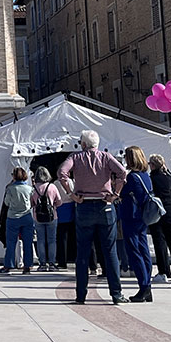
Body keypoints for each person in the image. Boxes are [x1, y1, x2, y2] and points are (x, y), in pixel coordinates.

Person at [58, 129, 129, 304]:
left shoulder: (75, 158)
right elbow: (122, 173)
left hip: (84, 205)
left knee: (83, 252)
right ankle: (116, 294)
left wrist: (71, 193)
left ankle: (81, 294)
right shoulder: (105, 157)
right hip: (105, 204)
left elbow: (62, 173)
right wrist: (116, 193)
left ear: (83, 144)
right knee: (109, 250)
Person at [120, 146, 154, 302]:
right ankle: (147, 286)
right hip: (142, 217)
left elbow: (120, 192)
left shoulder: (132, 177)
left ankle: (144, 286)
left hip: (131, 216)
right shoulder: (145, 175)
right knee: (143, 250)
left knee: (134, 252)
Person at [147, 154, 171, 282]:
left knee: (160, 242)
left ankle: (163, 272)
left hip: (157, 212)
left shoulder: (152, 179)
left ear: (153, 165)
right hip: (170, 212)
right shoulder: (169, 178)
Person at [0, 167, 35, 275]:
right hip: (27, 217)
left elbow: (7, 202)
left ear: (14, 176)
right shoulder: (29, 188)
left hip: (13, 217)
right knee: (28, 242)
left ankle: (9, 265)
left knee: (11, 243)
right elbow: (32, 202)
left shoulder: (10, 188)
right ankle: (28, 266)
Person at [31, 166, 62, 271]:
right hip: (52, 216)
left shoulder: (34, 188)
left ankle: (42, 263)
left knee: (40, 240)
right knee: (52, 240)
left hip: (37, 216)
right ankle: (52, 263)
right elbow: (59, 202)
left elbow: (31, 203)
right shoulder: (52, 187)